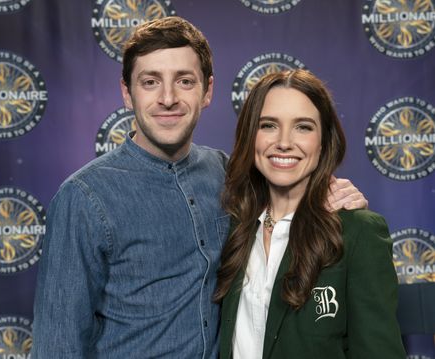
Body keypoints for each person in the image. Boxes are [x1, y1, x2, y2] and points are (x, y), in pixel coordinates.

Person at [31, 17, 367, 358]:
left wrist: (336, 195)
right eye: (150, 82)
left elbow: (289, 200)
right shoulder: (85, 198)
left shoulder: (227, 173)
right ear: (126, 94)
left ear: (207, 91)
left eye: (184, 81)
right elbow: (57, 344)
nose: (168, 98)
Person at [215, 69, 406, 359]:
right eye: (268, 125)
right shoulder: (231, 227)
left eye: (303, 127)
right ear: (249, 135)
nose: (284, 142)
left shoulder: (359, 233)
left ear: (324, 141)